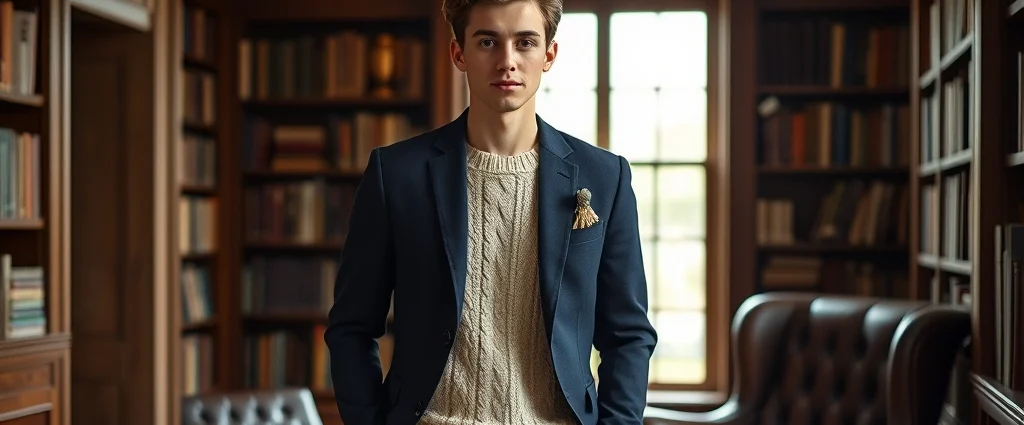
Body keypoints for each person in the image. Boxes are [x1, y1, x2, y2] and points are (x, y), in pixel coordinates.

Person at [324, 0, 657, 423]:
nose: (507, 61)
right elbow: (352, 327)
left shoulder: (605, 177)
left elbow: (628, 335)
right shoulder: (397, 174)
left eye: (525, 43)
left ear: (549, 54)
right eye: (487, 42)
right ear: (458, 53)